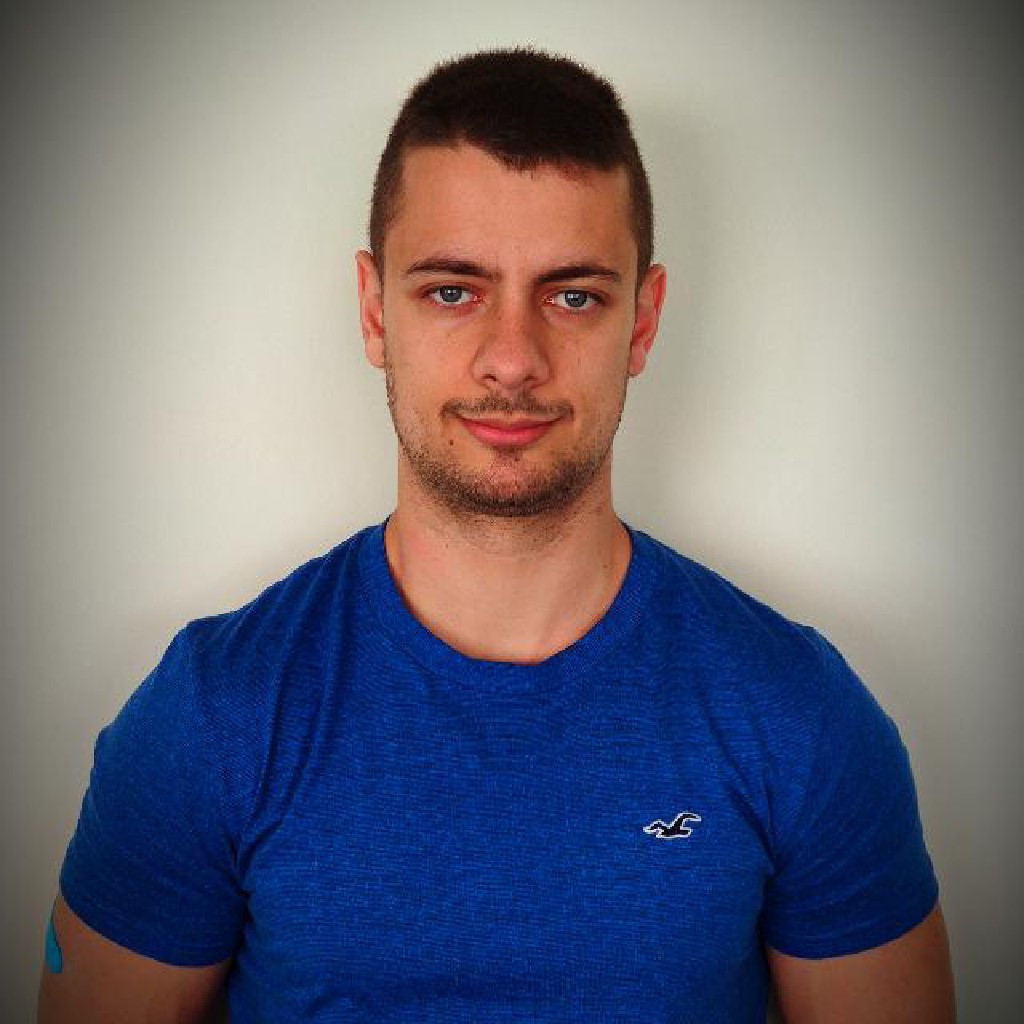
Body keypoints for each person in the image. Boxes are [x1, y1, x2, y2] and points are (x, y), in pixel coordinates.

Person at [39, 48, 956, 1023]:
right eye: (452, 290)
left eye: (572, 295)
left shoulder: (797, 716)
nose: (512, 360)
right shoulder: (212, 716)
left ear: (642, 322)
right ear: (373, 312)